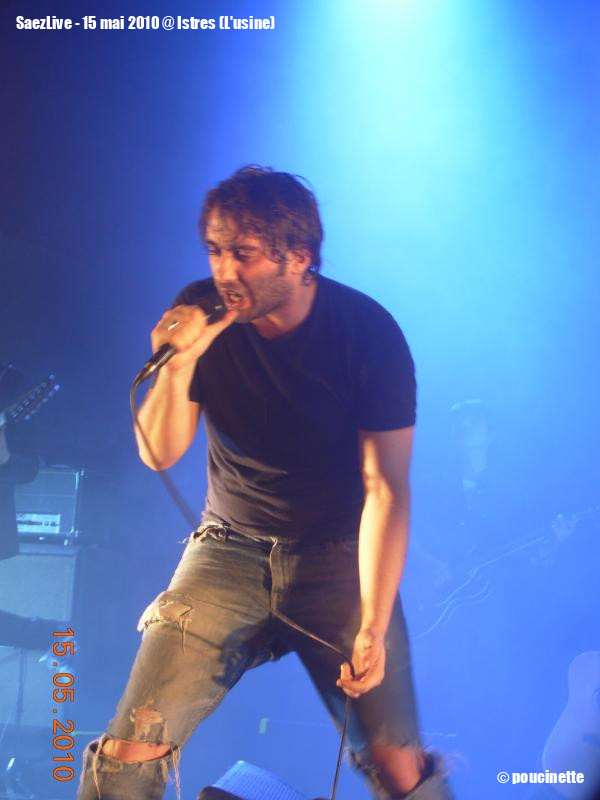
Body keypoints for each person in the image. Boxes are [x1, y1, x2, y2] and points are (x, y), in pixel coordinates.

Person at [78, 166, 452, 800]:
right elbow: (158, 452)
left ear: (298, 256)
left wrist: (372, 621)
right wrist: (180, 364)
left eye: (243, 253)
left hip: (338, 555)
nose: (224, 271)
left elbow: (386, 488)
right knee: (130, 747)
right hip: (227, 549)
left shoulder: (367, 334)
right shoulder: (204, 312)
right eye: (215, 251)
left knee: (399, 767)